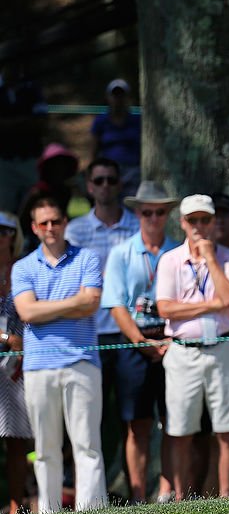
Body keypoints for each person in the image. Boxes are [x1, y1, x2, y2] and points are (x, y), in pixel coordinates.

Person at [12, 197, 106, 514]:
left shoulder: (87, 259)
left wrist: (44, 308)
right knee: (45, 448)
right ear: (35, 228)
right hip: (39, 367)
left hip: (82, 362)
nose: (50, 228)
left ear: (65, 222)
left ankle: (91, 513)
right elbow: (26, 311)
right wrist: (72, 303)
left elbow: (91, 303)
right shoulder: (23, 267)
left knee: (87, 444)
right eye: (43, 223)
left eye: (55, 221)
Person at [155, 194, 229, 499]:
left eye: (204, 220)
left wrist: (210, 258)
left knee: (228, 430)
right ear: (182, 222)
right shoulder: (170, 260)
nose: (198, 226)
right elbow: (166, 309)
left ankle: (226, 497)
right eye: (192, 220)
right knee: (180, 430)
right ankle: (180, 499)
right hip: (184, 351)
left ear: (213, 222)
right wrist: (212, 305)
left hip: (222, 348)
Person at [101, 181, 179, 504]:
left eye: (160, 212)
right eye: (147, 212)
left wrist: (171, 341)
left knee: (175, 421)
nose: (153, 218)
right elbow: (116, 305)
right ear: (137, 213)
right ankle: (136, 496)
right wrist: (141, 341)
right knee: (137, 424)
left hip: (173, 342)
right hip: (134, 344)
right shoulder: (121, 253)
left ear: (168, 214)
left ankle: (167, 492)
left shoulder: (178, 251)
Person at [65, 158, 140, 487]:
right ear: (89, 186)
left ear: (119, 184)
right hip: (88, 335)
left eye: (111, 179)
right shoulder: (75, 230)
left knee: (132, 418)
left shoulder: (138, 225)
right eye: (100, 180)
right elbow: (69, 282)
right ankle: (85, 491)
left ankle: (131, 488)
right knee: (87, 417)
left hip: (128, 334)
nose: (106, 185)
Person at [0, 211, 32, 514]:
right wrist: (6, 337)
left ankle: (15, 505)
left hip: (19, 364)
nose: (0, 236)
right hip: (6, 349)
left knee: (17, 438)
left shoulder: (24, 268)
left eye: (5, 231)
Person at [0, 63, 47, 213]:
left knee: (34, 207)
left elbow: (41, 122)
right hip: (4, 162)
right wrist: (24, 120)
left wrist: (7, 123)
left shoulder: (32, 88)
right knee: (6, 211)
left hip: (29, 160)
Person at [19, 143, 79, 251]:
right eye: (55, 166)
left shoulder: (65, 191)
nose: (59, 169)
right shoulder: (37, 192)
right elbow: (23, 219)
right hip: (35, 237)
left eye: (62, 165)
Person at [90, 79, 142, 196]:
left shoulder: (137, 121)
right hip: (108, 171)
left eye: (121, 96)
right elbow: (94, 149)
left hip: (133, 171)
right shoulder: (100, 121)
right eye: (115, 95)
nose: (118, 99)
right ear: (108, 97)